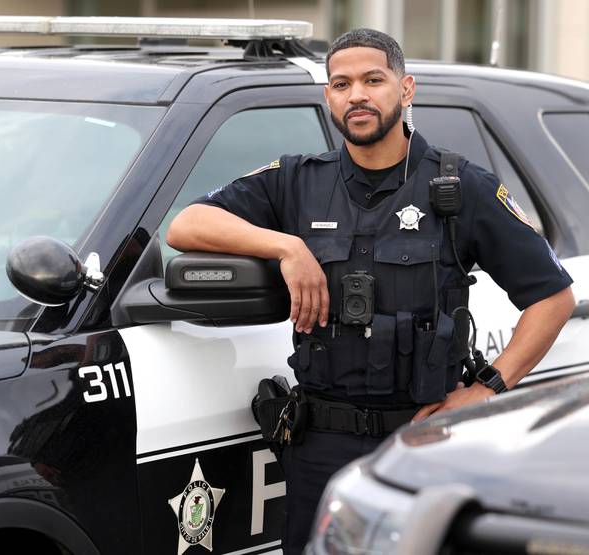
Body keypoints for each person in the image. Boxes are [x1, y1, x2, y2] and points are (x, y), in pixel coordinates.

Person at [166, 28, 575, 554]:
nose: (356, 94)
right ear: (328, 99)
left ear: (406, 90)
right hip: (319, 443)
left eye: (372, 80)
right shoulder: (296, 181)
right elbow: (188, 224)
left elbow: (552, 296)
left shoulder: (458, 188)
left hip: (425, 438)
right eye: (341, 84)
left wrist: (485, 391)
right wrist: (287, 247)